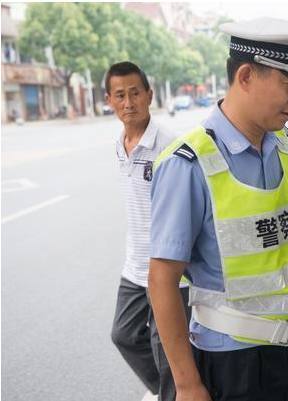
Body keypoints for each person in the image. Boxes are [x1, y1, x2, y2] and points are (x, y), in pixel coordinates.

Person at [147, 18, 288, 401]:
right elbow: (162, 280)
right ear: (245, 76)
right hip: (232, 366)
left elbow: (254, 230)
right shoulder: (189, 163)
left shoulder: (277, 144)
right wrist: (187, 384)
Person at [107, 61, 189, 401]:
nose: (129, 103)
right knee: (123, 335)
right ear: (110, 101)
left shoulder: (169, 144)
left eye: (135, 93)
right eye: (120, 96)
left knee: (166, 351)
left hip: (167, 270)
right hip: (134, 268)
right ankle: (166, 393)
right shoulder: (120, 142)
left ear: (149, 96)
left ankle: (174, 392)